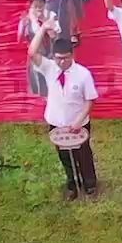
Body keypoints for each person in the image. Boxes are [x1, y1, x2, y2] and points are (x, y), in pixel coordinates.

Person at [28, 29, 100, 198]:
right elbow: (32, 52)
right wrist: (43, 28)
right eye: (58, 58)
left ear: (72, 54)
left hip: (78, 123)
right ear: (54, 56)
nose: (62, 62)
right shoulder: (49, 68)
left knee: (83, 155)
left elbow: (90, 100)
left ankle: (89, 183)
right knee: (64, 156)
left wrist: (78, 121)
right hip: (56, 122)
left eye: (66, 57)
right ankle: (72, 184)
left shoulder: (83, 74)